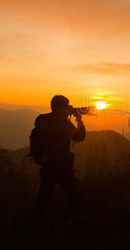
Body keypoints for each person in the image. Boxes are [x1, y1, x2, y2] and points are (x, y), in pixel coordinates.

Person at [30, 95, 86, 223]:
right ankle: (73, 223)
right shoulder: (61, 123)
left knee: (45, 197)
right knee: (72, 196)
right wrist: (79, 122)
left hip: (53, 166)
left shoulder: (50, 120)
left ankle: (37, 222)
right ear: (59, 108)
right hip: (58, 167)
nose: (68, 109)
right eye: (66, 107)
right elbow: (79, 137)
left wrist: (79, 120)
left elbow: (78, 138)